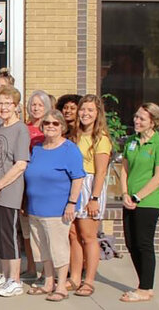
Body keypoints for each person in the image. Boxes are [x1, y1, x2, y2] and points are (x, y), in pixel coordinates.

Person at [23, 109, 85, 302]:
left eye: (55, 124)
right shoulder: (38, 148)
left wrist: (71, 203)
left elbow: (78, 178)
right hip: (35, 208)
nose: (50, 126)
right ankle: (48, 282)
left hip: (57, 209)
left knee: (58, 248)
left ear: (63, 127)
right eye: (47, 123)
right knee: (41, 248)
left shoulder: (70, 149)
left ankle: (61, 287)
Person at [119, 103, 159, 303]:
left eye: (142, 118)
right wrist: (124, 193)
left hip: (148, 203)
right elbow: (124, 170)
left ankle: (146, 287)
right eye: (136, 117)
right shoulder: (131, 141)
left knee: (144, 244)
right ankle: (143, 284)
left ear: (153, 122)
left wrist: (137, 197)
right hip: (129, 199)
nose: (136, 121)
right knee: (131, 243)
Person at [0, 85, 30, 298]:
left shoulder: (21, 129)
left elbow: (20, 164)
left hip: (8, 191)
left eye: (7, 104)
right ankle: (4, 274)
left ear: (15, 106)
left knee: (9, 236)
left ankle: (15, 280)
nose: (2, 108)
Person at [67, 95, 112, 296]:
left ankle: (89, 280)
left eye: (90, 110)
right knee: (73, 234)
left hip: (90, 186)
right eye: (83, 109)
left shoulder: (100, 138)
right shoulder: (75, 134)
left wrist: (94, 198)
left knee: (88, 236)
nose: (85, 114)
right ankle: (75, 277)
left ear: (97, 114)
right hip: (73, 186)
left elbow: (101, 172)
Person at [21, 90, 52, 281]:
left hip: (45, 187)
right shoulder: (24, 128)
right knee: (27, 231)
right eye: (33, 104)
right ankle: (31, 268)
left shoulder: (51, 128)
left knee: (44, 231)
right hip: (25, 185)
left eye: (40, 105)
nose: (36, 108)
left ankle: (45, 271)